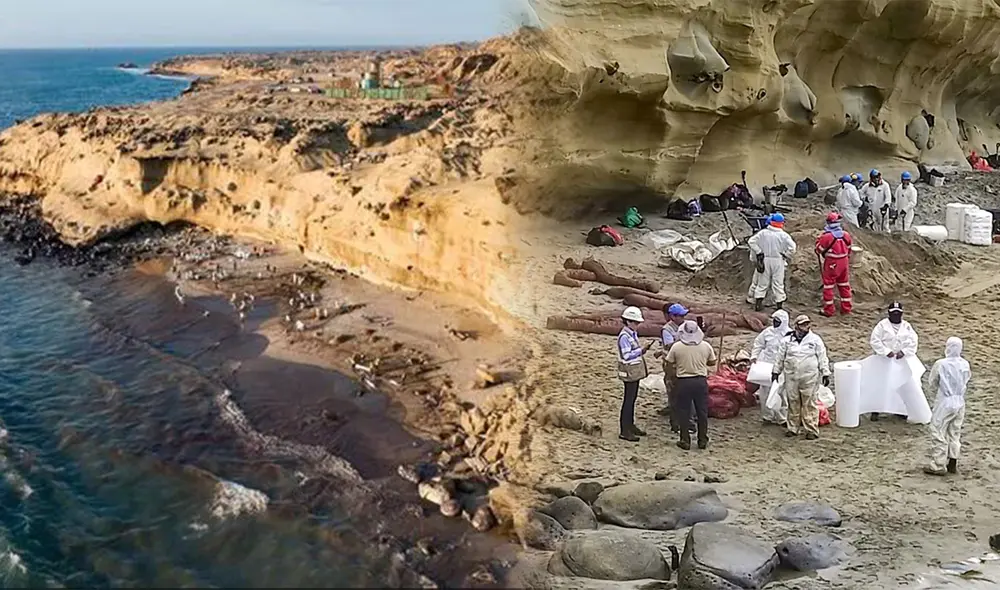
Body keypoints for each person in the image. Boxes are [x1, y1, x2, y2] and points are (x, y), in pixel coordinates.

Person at [771, 315, 831, 440]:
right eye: (803, 324)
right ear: (796, 326)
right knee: (793, 402)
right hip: (791, 376)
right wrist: (776, 371)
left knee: (809, 403)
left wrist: (825, 373)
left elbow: (822, 357)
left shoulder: (815, 340)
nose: (806, 326)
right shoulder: (786, 341)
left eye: (807, 324)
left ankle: (811, 429)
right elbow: (780, 357)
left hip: (810, 377)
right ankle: (792, 428)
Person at [665, 320, 717, 450]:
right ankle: (702, 439)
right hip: (700, 381)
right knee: (702, 411)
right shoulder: (705, 346)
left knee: (683, 410)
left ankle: (685, 439)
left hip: (683, 381)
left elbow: (669, 363)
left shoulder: (677, 347)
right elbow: (712, 362)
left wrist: (671, 375)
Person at [924, 337, 971, 476]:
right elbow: (967, 379)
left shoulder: (941, 364)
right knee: (954, 431)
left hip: (945, 400)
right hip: (960, 400)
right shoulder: (965, 364)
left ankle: (938, 464)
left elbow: (932, 382)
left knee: (938, 430)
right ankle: (953, 461)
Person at [868, 301, 917, 421]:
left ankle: (899, 410)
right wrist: (886, 352)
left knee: (900, 385)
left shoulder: (907, 326)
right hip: (884, 360)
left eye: (898, 313)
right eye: (893, 313)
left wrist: (904, 352)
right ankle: (876, 410)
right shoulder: (882, 325)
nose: (896, 316)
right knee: (880, 385)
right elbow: (875, 340)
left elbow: (913, 341)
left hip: (901, 361)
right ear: (889, 314)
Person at [616, 306, 654, 442]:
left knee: (632, 399)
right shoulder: (624, 336)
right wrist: (640, 351)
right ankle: (625, 430)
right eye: (636, 322)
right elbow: (626, 355)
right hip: (629, 371)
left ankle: (630, 425)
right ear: (628, 321)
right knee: (628, 400)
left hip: (633, 371)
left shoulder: (631, 334)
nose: (637, 325)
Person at [747, 213, 797, 312]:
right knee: (778, 283)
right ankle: (779, 305)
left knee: (762, 283)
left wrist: (759, 252)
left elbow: (751, 241)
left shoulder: (763, 233)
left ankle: (758, 304)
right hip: (778, 260)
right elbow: (792, 248)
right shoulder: (784, 235)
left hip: (765, 259)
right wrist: (786, 254)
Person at [656, 302, 694, 433]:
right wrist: (684, 340)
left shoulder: (686, 326)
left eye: (683, 316)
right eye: (680, 316)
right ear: (672, 316)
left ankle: (688, 421)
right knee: (673, 393)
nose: (683, 318)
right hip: (672, 365)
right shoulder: (667, 329)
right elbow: (668, 345)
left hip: (685, 362)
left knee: (687, 392)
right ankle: (675, 422)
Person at [750, 309, 791, 423]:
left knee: (781, 392)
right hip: (767, 366)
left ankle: (782, 417)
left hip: (782, 367)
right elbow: (758, 343)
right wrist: (754, 356)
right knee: (765, 391)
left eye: (778, 321)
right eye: (774, 320)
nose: (775, 323)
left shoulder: (789, 335)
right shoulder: (767, 332)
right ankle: (767, 415)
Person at [815, 212, 854, 317]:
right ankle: (846, 308)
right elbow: (849, 249)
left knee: (828, 286)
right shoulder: (846, 235)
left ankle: (829, 310)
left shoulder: (826, 237)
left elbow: (819, 250)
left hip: (832, 263)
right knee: (844, 285)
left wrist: (818, 241)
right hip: (844, 262)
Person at [746, 215, 770, 305]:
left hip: (759, 261)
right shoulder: (766, 237)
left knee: (756, 280)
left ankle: (751, 296)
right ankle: (757, 298)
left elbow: (753, 251)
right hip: (765, 261)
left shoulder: (758, 236)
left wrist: (754, 260)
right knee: (762, 282)